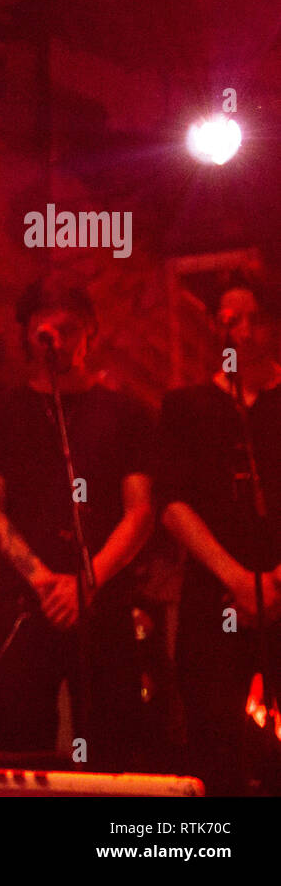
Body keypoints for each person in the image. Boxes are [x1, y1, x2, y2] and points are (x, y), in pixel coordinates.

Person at [0, 276, 156, 766]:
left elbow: (140, 509)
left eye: (68, 329)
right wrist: (43, 580)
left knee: (113, 750)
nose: (55, 341)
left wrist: (86, 582)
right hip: (27, 601)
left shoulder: (125, 412)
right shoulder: (1, 410)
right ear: (27, 334)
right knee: (19, 745)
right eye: (43, 330)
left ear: (90, 330)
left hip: (103, 599)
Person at [158, 274, 281, 793]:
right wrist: (236, 577)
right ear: (214, 327)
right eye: (231, 320)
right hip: (215, 599)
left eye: (253, 319)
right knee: (215, 741)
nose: (244, 332)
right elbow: (172, 504)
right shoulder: (186, 406)